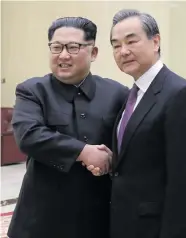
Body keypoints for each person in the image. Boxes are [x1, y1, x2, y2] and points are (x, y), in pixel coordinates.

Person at [89, 9, 186, 238]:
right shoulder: (133, 95)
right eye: (116, 45)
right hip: (127, 224)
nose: (123, 51)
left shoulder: (180, 94)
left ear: (155, 42)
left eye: (131, 41)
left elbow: (184, 184)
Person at [7, 16, 128, 238]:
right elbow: (28, 135)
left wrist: (111, 159)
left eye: (73, 47)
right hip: (42, 216)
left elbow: (129, 141)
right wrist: (83, 152)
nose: (63, 55)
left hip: (98, 215)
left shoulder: (118, 94)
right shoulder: (32, 90)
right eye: (56, 47)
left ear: (93, 53)